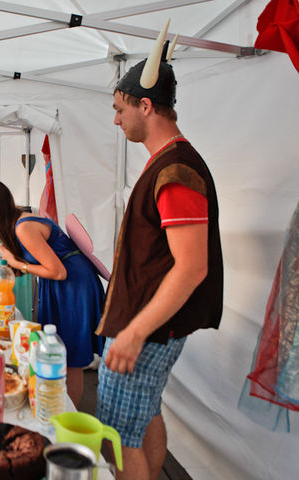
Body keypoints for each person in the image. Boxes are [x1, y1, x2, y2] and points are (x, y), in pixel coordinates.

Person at [95, 32, 223, 480]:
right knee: (144, 416)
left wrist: (133, 333)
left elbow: (192, 266)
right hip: (148, 323)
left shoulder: (176, 170)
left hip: (147, 329)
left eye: (118, 108)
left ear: (145, 106)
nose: (116, 121)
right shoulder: (167, 163)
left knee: (117, 437)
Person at [0, 177, 103, 407]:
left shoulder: (23, 227)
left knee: (70, 356)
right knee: (57, 350)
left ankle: (66, 417)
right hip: (60, 285)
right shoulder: (15, 225)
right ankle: (57, 408)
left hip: (72, 286)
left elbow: (58, 271)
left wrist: (15, 261)